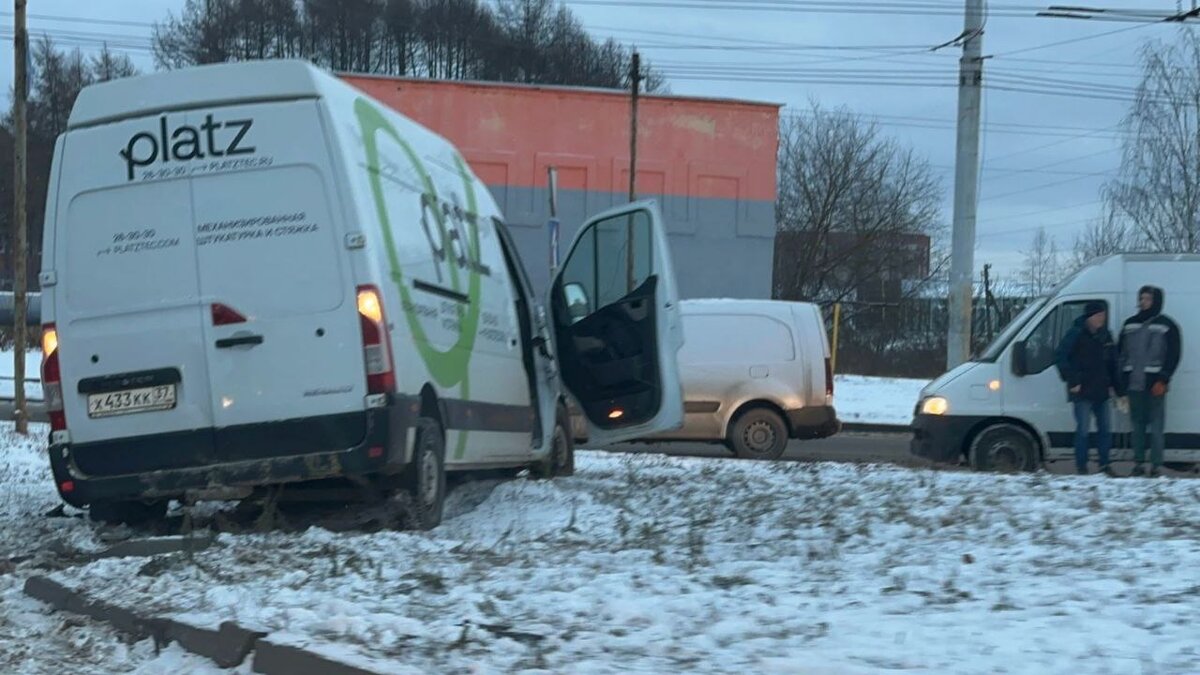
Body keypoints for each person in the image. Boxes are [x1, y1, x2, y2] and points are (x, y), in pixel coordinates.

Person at [1119, 286, 1181, 478]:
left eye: (1147, 299)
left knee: (1156, 428)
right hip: (1134, 385)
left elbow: (1173, 355)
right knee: (1136, 427)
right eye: (1141, 298)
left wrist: (1163, 378)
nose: (1143, 302)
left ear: (1157, 301)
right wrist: (1121, 382)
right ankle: (1138, 464)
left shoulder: (1167, 325)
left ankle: (1155, 466)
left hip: (1156, 386)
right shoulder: (1129, 324)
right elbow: (1121, 355)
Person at [1056, 301, 1119, 476]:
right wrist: (1072, 380)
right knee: (1083, 430)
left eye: (1103, 315)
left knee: (1105, 430)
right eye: (1099, 315)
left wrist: (1116, 387)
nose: (1102, 319)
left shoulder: (1106, 336)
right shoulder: (1075, 334)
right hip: (1082, 390)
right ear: (1090, 317)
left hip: (1102, 390)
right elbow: (1060, 357)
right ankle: (1081, 466)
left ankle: (1104, 465)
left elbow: (1113, 363)